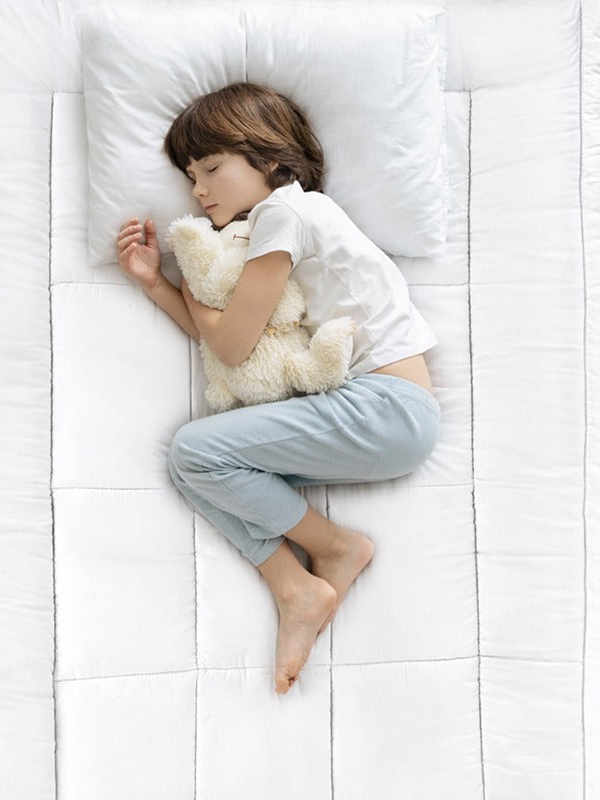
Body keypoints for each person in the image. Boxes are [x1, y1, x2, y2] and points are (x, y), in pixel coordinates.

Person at [116, 82, 440, 694]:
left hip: (385, 408)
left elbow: (231, 343)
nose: (198, 190)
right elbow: (234, 345)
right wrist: (155, 283)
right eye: (189, 176)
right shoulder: (283, 224)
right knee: (196, 466)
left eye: (211, 167)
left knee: (194, 451)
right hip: (386, 413)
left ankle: (336, 548)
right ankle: (293, 585)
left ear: (271, 160)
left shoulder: (283, 213)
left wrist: (182, 274)